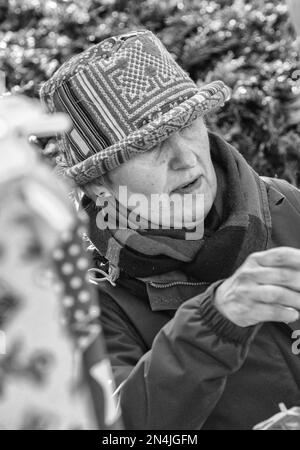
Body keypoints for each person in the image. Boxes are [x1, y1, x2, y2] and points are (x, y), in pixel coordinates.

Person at [40, 25, 300, 430]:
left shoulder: (286, 203)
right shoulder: (85, 297)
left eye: (188, 124)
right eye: (147, 145)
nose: (185, 158)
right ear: (98, 185)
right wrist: (216, 321)